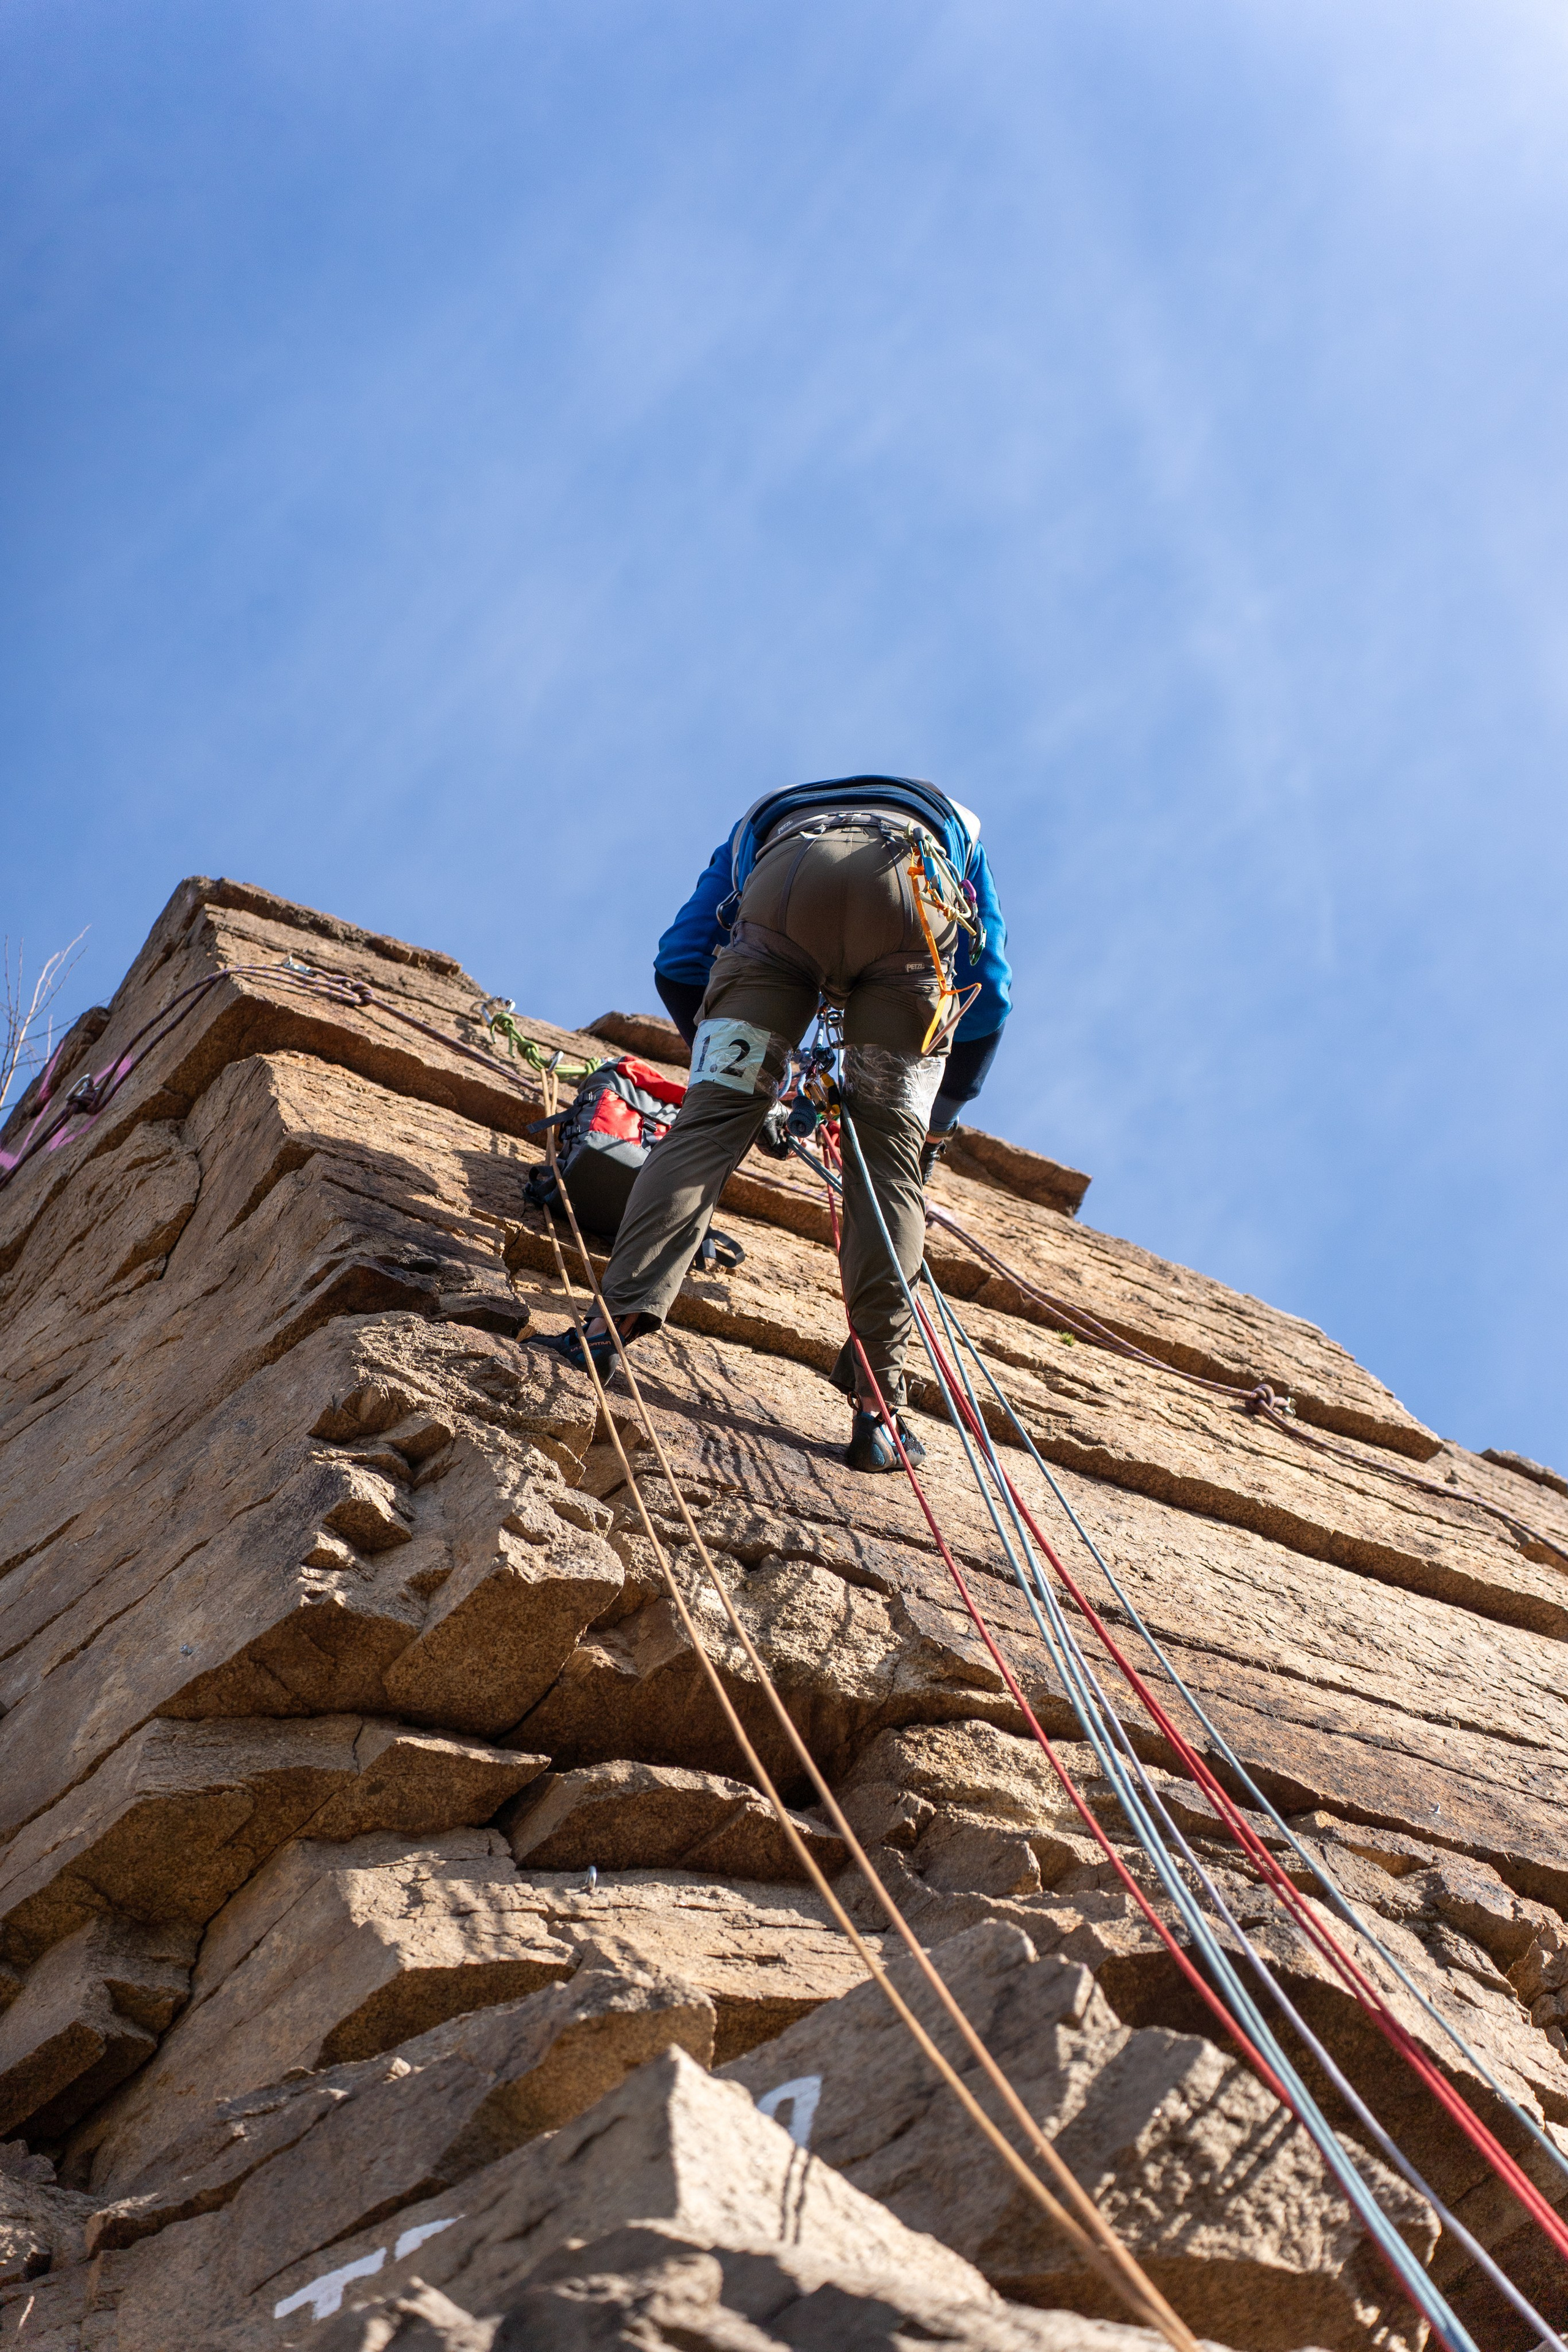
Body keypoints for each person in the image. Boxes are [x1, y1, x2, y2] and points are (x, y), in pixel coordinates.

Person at [539, 774, 1011, 1472]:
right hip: (910, 900)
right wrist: (932, 1134)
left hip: (784, 893)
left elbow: (679, 958)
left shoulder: (762, 820)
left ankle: (611, 1326)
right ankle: (880, 1410)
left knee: (708, 1126)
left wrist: (752, 1080)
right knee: (887, 1168)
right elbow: (990, 992)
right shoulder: (955, 827)